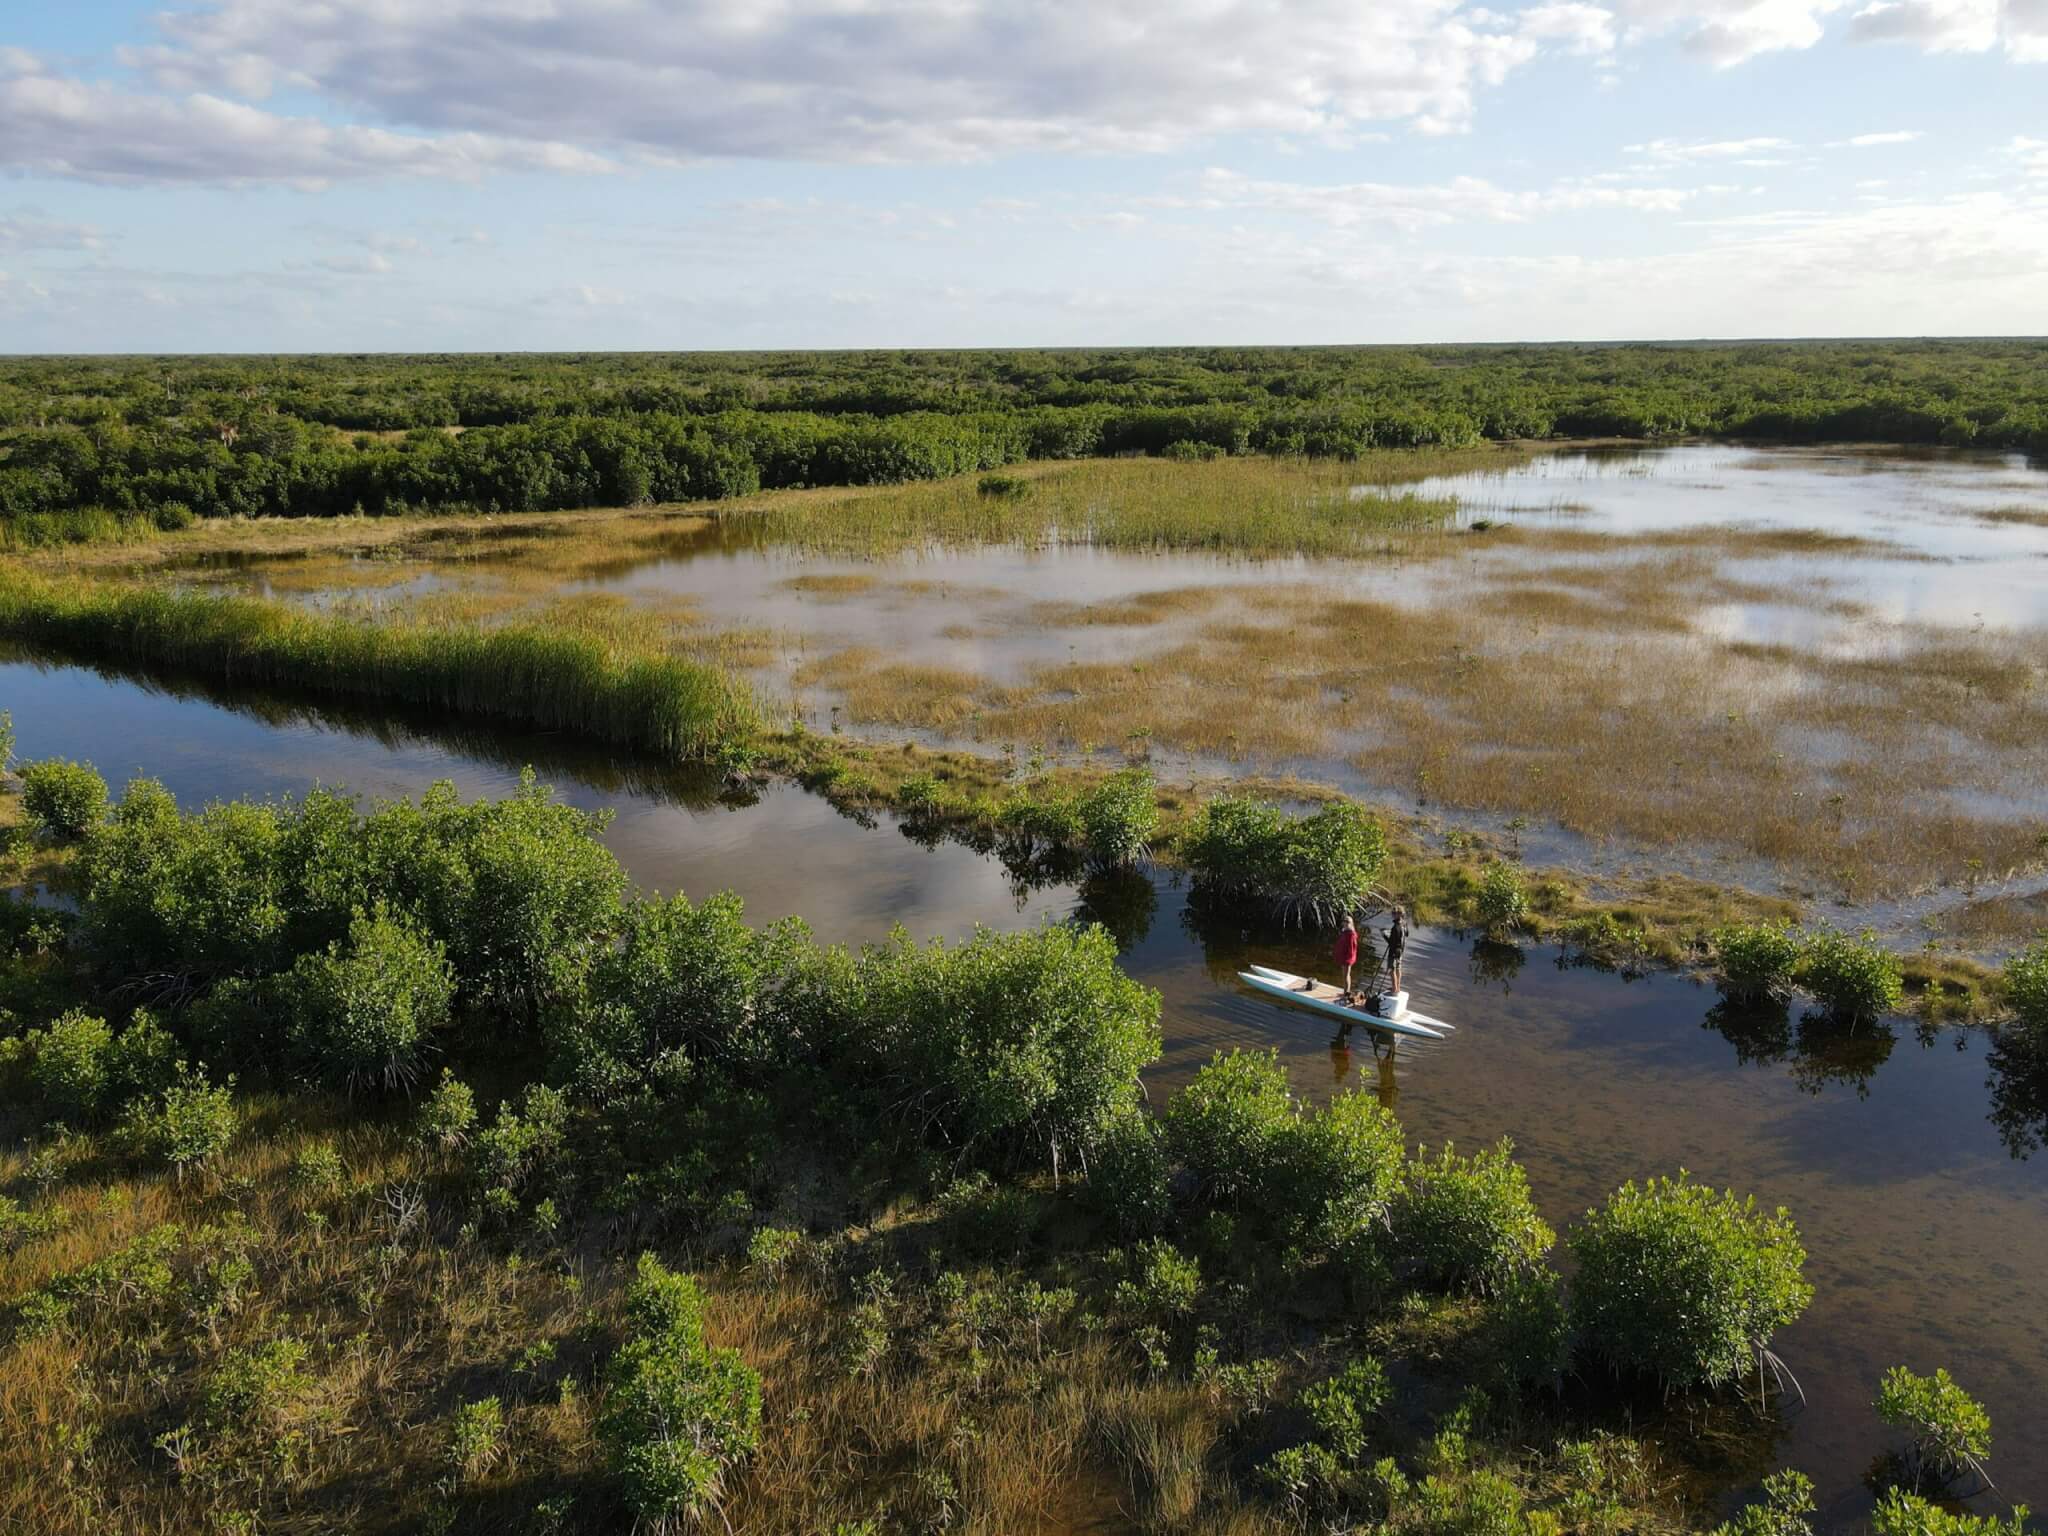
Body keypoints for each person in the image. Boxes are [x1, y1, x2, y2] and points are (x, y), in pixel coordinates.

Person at [1382, 905, 1409, 998]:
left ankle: (1394, 988)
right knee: (1398, 968)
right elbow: (1407, 934)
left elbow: (1391, 942)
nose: (1392, 915)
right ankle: (1398, 987)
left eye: (1394, 913)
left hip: (1393, 951)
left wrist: (1384, 935)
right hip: (1400, 951)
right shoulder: (1404, 924)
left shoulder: (1395, 927)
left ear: (1399, 914)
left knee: (1391, 969)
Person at [1334, 914, 1361, 1000]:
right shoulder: (1345, 931)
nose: (1345, 923)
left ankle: (1346, 993)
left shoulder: (1351, 934)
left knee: (1346, 976)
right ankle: (1346, 992)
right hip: (1343, 957)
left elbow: (1352, 949)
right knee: (1345, 975)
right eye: (1344, 921)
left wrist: (1348, 960)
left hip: (1347, 959)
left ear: (1351, 923)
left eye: (1348, 921)